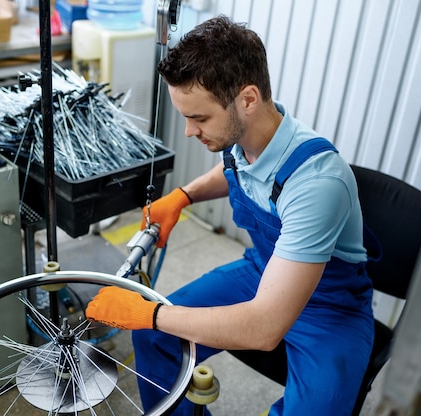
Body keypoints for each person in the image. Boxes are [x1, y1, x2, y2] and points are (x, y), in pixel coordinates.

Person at [86, 15, 374, 415]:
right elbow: (236, 170)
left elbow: (264, 328)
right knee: (154, 338)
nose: (188, 131)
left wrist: (150, 312)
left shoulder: (318, 182)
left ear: (248, 99)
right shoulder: (242, 138)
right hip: (263, 270)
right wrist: (183, 196)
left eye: (199, 118)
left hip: (330, 306)